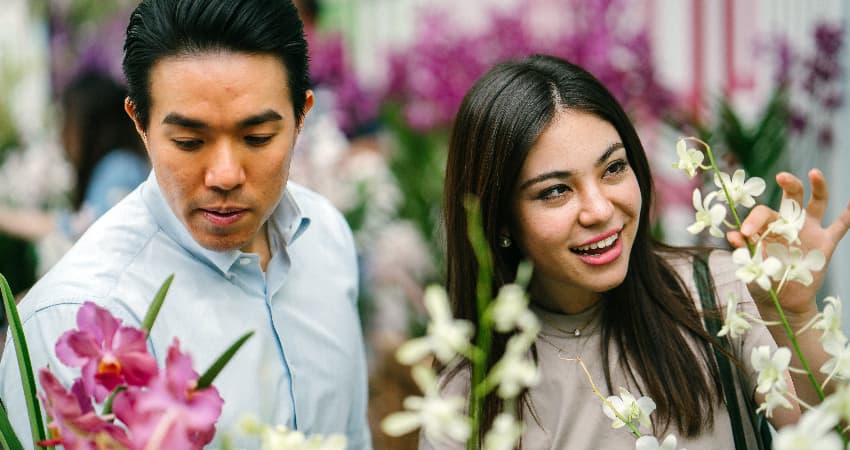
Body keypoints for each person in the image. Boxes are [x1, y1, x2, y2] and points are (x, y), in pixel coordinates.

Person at [0, 0, 371, 448]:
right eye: (189, 141)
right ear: (140, 124)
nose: (225, 175)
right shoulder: (79, 316)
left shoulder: (326, 237)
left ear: (301, 116)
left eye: (257, 138)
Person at [430, 54, 850, 449]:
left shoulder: (718, 292)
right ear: (499, 219)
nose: (599, 210)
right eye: (556, 191)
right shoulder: (468, 393)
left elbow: (829, 434)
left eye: (613, 168)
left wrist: (792, 314)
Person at [0, 71, 149, 274]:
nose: (62, 135)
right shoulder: (119, 165)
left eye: (66, 121)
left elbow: (85, 229)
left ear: (90, 125)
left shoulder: (120, 167)